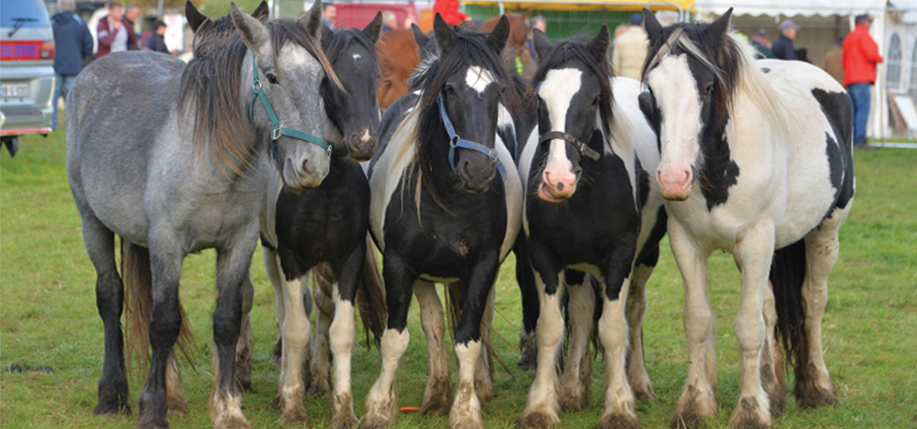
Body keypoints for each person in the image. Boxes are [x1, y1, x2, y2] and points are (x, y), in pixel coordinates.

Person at [50, 0, 93, 130]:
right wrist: (85, 55)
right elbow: (88, 42)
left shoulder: (52, 21)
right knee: (72, 97)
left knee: (53, 95)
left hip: (55, 64)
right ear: (73, 7)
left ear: (59, 6)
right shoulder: (79, 22)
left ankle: (52, 123)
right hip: (73, 64)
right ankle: (72, 125)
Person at [844, 14, 883, 150]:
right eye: (869, 21)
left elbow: (844, 61)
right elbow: (872, 54)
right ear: (864, 22)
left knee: (853, 111)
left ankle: (852, 140)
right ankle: (860, 139)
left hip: (850, 78)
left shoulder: (849, 38)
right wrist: (879, 58)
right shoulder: (864, 35)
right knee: (862, 110)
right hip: (862, 78)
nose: (870, 24)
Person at [612, 13, 649, 80]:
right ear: (642, 25)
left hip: (624, 77)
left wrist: (616, 77)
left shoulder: (620, 39)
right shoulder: (647, 40)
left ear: (629, 24)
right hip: (641, 77)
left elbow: (615, 63)